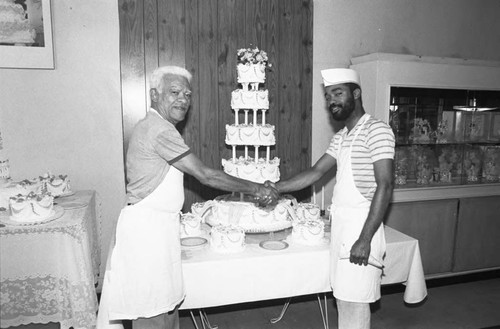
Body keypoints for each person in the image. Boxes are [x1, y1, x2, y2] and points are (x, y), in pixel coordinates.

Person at [97, 66, 278, 329]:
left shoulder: (159, 126)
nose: (183, 99)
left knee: (167, 309)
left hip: (158, 230)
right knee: (153, 312)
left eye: (187, 94)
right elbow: (206, 176)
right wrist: (259, 189)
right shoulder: (159, 130)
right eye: (174, 92)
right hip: (147, 234)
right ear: (154, 95)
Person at [269, 68, 395, 329]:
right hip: (342, 228)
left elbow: (385, 185)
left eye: (337, 93)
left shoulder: (377, 130)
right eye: (327, 96)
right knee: (344, 299)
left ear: (356, 93)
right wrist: (274, 187)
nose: (331, 101)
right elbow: (315, 172)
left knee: (356, 303)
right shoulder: (342, 137)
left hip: (362, 228)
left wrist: (365, 238)